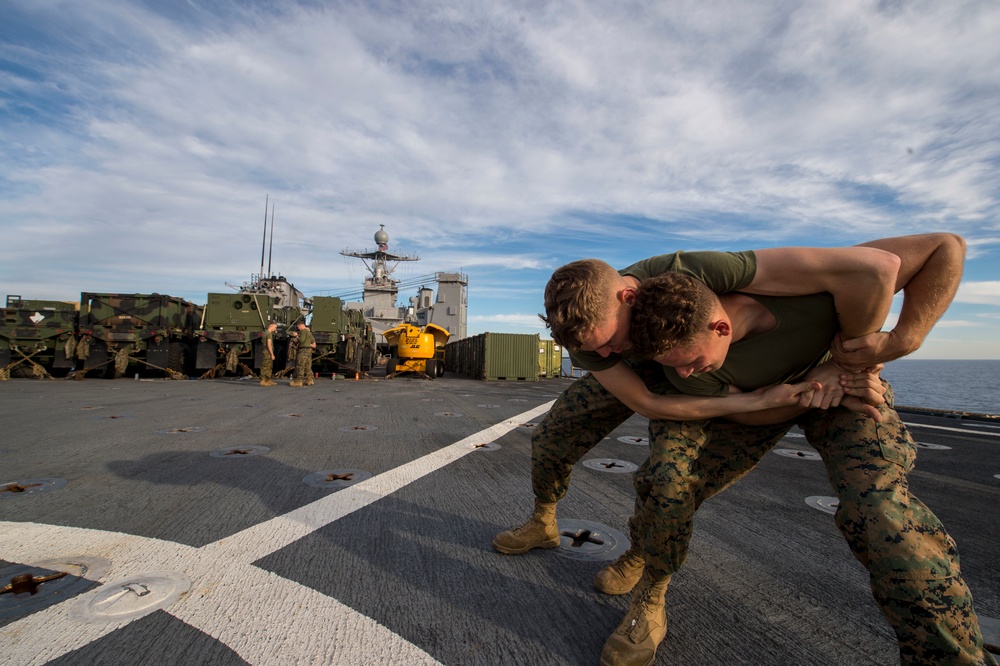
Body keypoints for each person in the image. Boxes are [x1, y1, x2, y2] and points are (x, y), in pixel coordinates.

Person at [491, 234, 990, 665]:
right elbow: (649, 400)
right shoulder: (613, 344)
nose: (603, 355)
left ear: (630, 294)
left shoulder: (703, 274)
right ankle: (569, 534)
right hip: (710, 379)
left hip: (792, 374)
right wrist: (769, 396)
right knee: (603, 452)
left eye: (610, 341)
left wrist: (889, 344)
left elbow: (899, 262)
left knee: (883, 514)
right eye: (593, 350)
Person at [289, 321, 316, 387]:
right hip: (308, 351)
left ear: (300, 325)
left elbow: (301, 340)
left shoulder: (303, 331)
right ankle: (309, 380)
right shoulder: (309, 333)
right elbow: (313, 342)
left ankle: (298, 381)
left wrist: (296, 336)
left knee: (300, 365)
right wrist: (308, 344)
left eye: (298, 327)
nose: (298, 328)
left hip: (303, 350)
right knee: (307, 366)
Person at [259, 322, 277, 387]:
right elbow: (269, 344)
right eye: (275, 327)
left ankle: (268, 379)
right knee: (266, 366)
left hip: (266, 351)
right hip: (267, 352)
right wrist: (272, 354)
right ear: (271, 326)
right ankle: (263, 380)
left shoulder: (265, 333)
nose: (275, 329)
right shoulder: (268, 334)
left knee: (269, 366)